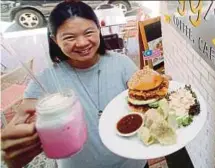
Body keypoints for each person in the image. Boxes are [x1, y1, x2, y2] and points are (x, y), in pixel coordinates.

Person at [1, 1, 170, 168]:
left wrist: (161, 92)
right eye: (69, 37)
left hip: (132, 162)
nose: (82, 43)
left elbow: (145, 98)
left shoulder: (122, 63)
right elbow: (22, 121)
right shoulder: (44, 80)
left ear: (99, 29)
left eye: (89, 32)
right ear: (54, 40)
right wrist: (13, 154)